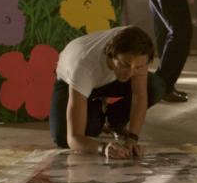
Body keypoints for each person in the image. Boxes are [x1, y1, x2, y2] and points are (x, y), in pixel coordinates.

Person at [49, 26, 165, 159]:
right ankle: (96, 108)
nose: (130, 73)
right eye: (125, 64)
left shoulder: (139, 49)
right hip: (71, 81)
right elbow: (74, 138)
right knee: (64, 137)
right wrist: (103, 148)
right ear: (111, 54)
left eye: (138, 67)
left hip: (109, 78)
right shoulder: (83, 66)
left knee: (155, 86)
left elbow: (139, 95)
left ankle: (114, 120)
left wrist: (132, 139)